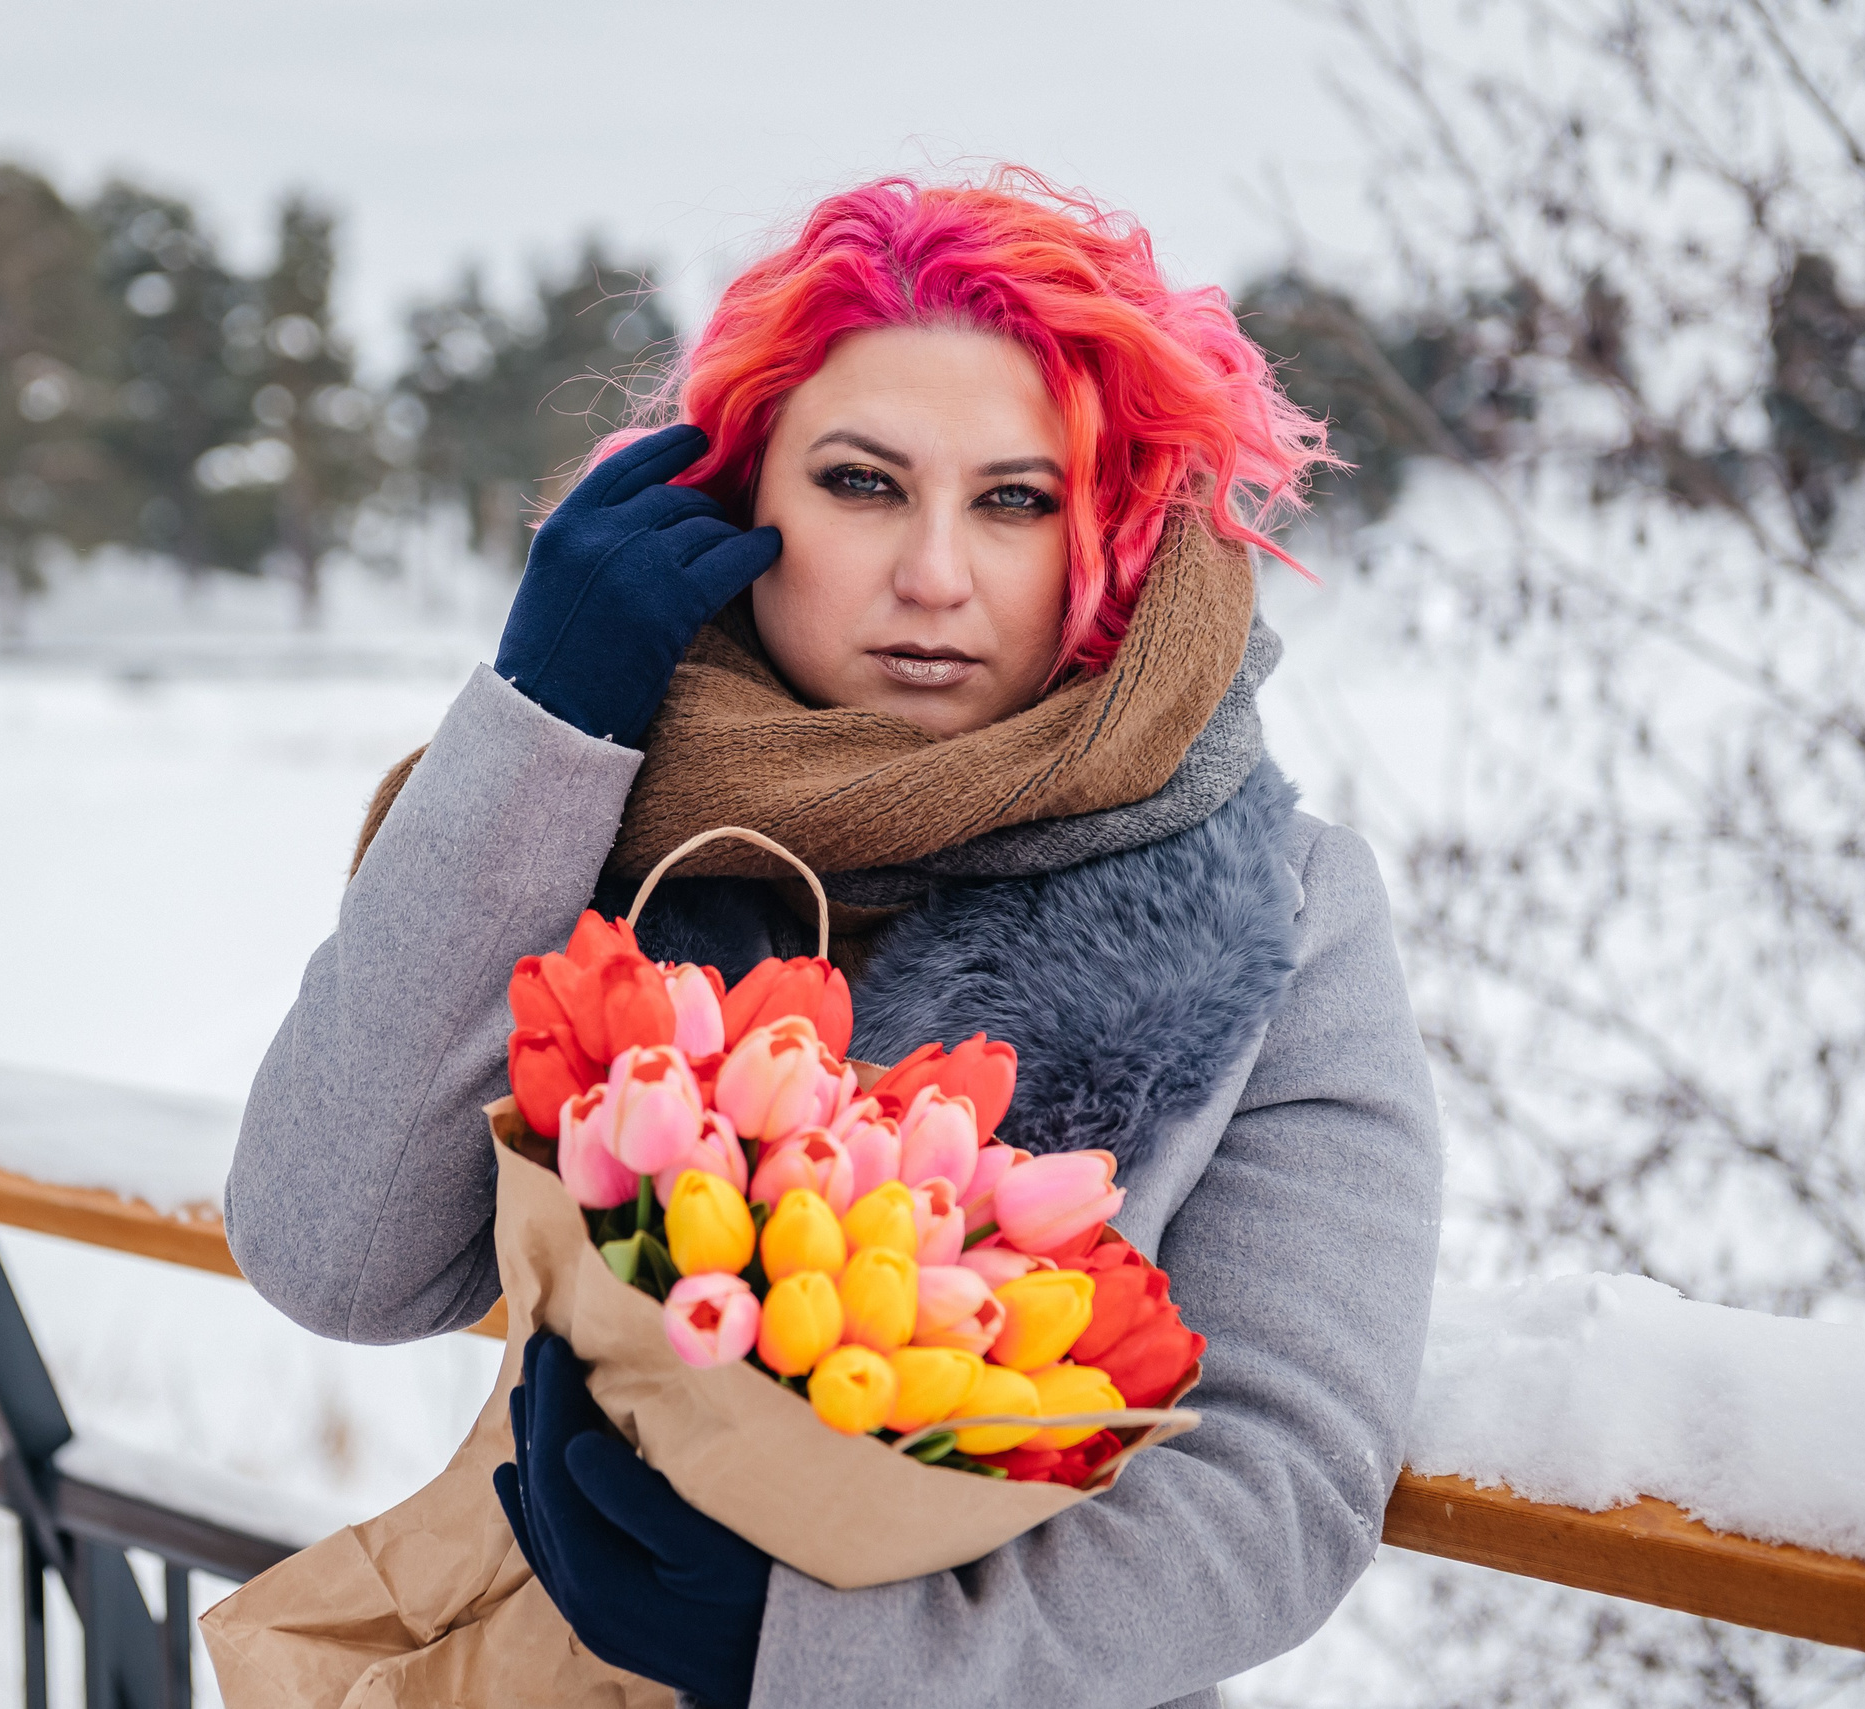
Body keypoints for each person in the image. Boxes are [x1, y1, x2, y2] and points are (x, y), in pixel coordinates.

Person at [225, 171, 1441, 1709]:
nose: (935, 574)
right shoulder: (597, 830)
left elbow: (1286, 1484)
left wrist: (817, 1650)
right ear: (743, 502)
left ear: (1106, 537)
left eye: (1016, 499)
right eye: (865, 483)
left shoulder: (1285, 906)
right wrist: (545, 720)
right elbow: (331, 1251)